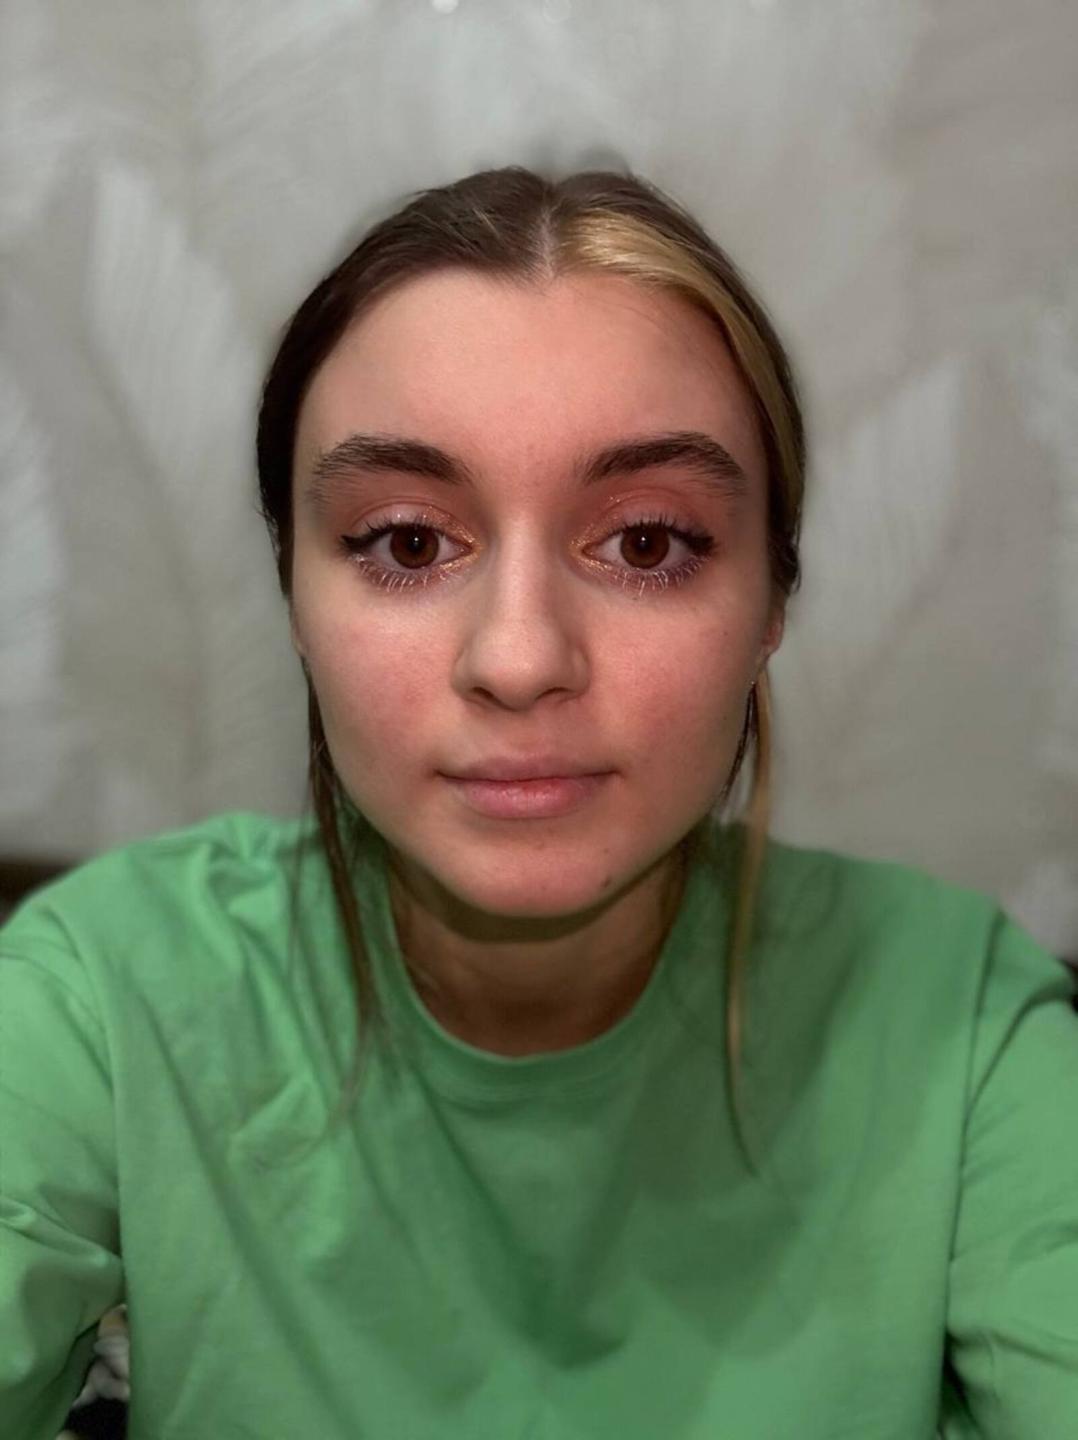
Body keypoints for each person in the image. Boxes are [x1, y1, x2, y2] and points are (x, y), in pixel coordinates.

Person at [2, 164, 1075, 1440]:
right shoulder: (100, 997)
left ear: (770, 602)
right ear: (293, 594)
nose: (517, 659)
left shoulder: (967, 1032)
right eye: (407, 542)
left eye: (645, 543)